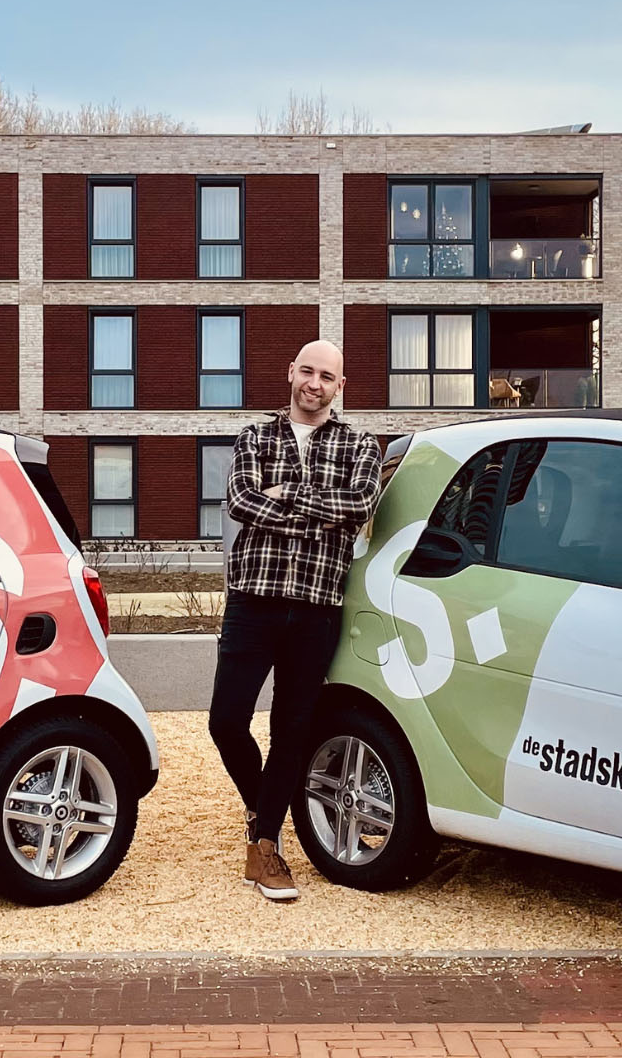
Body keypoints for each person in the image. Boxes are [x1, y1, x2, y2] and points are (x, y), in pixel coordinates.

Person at [209, 338, 382, 901]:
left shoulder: (360, 445)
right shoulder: (255, 436)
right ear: (290, 372)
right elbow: (240, 502)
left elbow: (358, 507)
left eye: (327, 376)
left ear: (340, 386)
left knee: (292, 730)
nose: (315, 383)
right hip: (254, 599)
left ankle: (266, 847)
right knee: (226, 721)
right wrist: (315, 509)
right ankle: (265, 811)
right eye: (307, 371)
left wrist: (285, 497)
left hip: (316, 607)